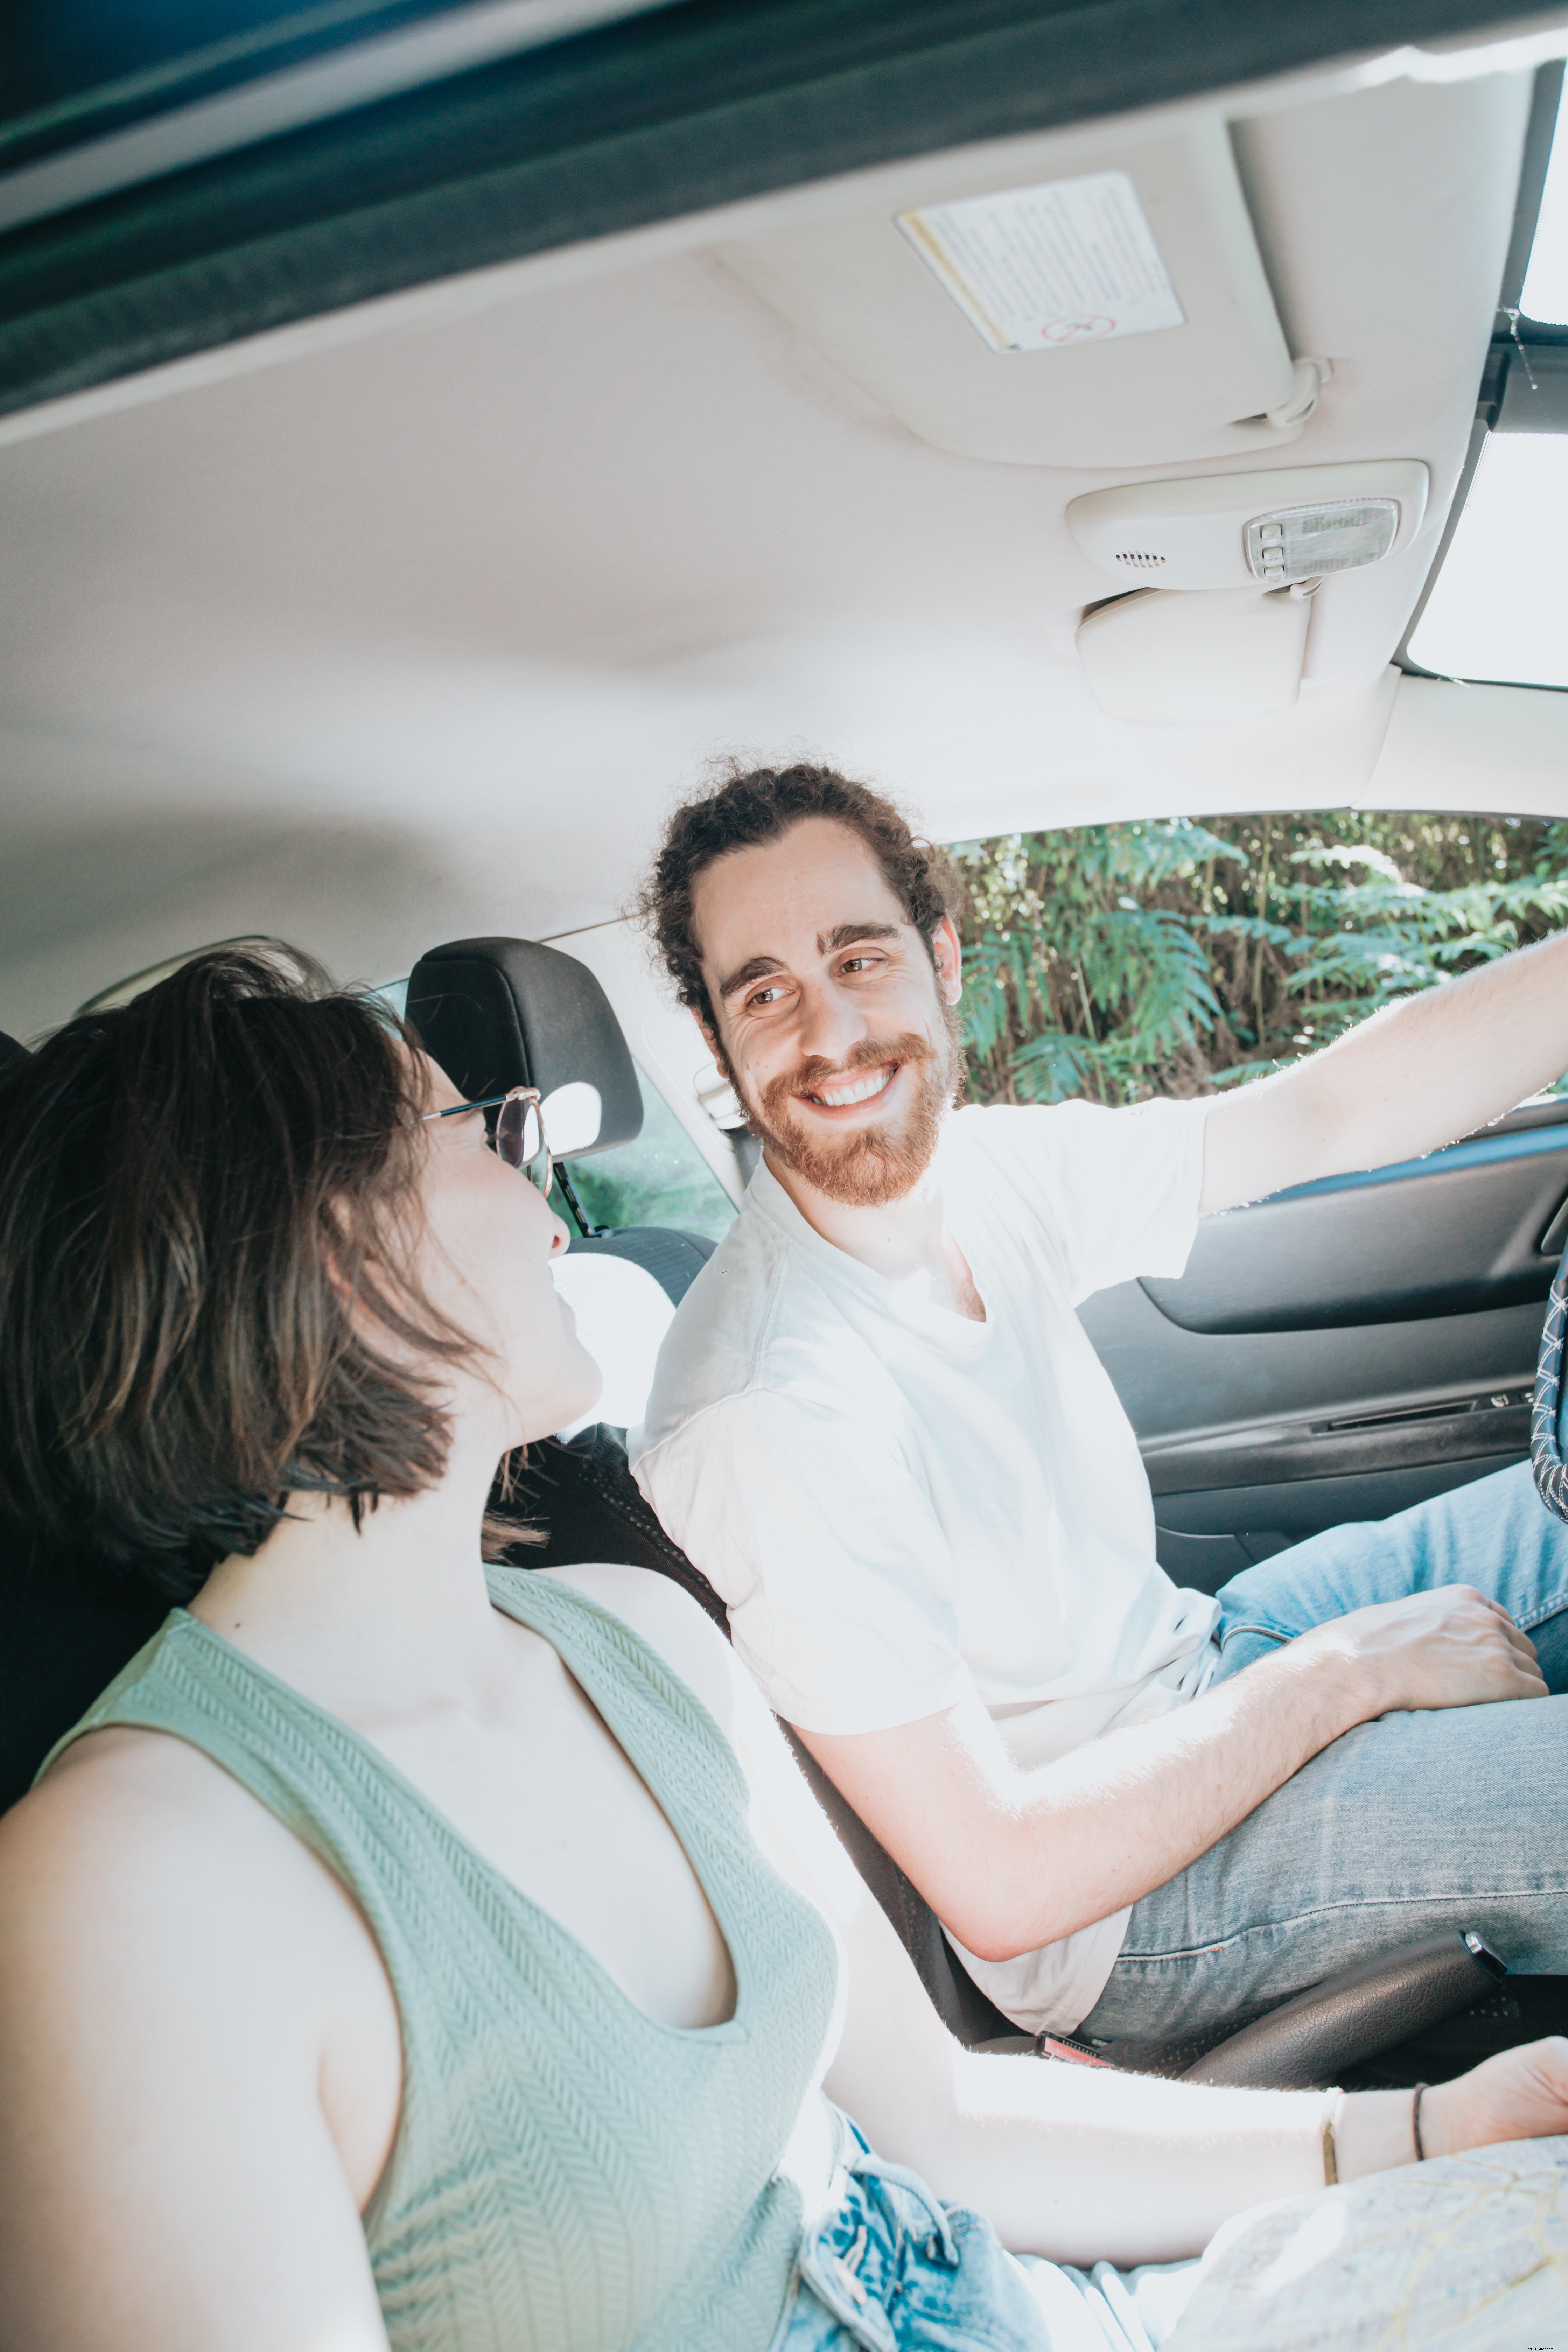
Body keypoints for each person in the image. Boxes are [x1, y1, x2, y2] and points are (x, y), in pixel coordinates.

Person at [2, 944, 1566, 2352]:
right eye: (489, 1134)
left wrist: (1428, 2134)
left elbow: (943, 2126)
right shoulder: (135, 1889)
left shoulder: (631, 1636)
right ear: (333, 1246)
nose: (547, 1199)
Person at [630, 761, 1568, 2045]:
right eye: (767, 992)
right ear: (720, 1041)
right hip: (1124, 1904)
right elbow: (1007, 1884)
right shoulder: (765, 1408)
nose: (829, 1036)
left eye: (858, 960)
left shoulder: (982, 1172)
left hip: (1199, 1669)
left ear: (942, 955)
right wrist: (1341, 1676)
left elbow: (1325, 1113)